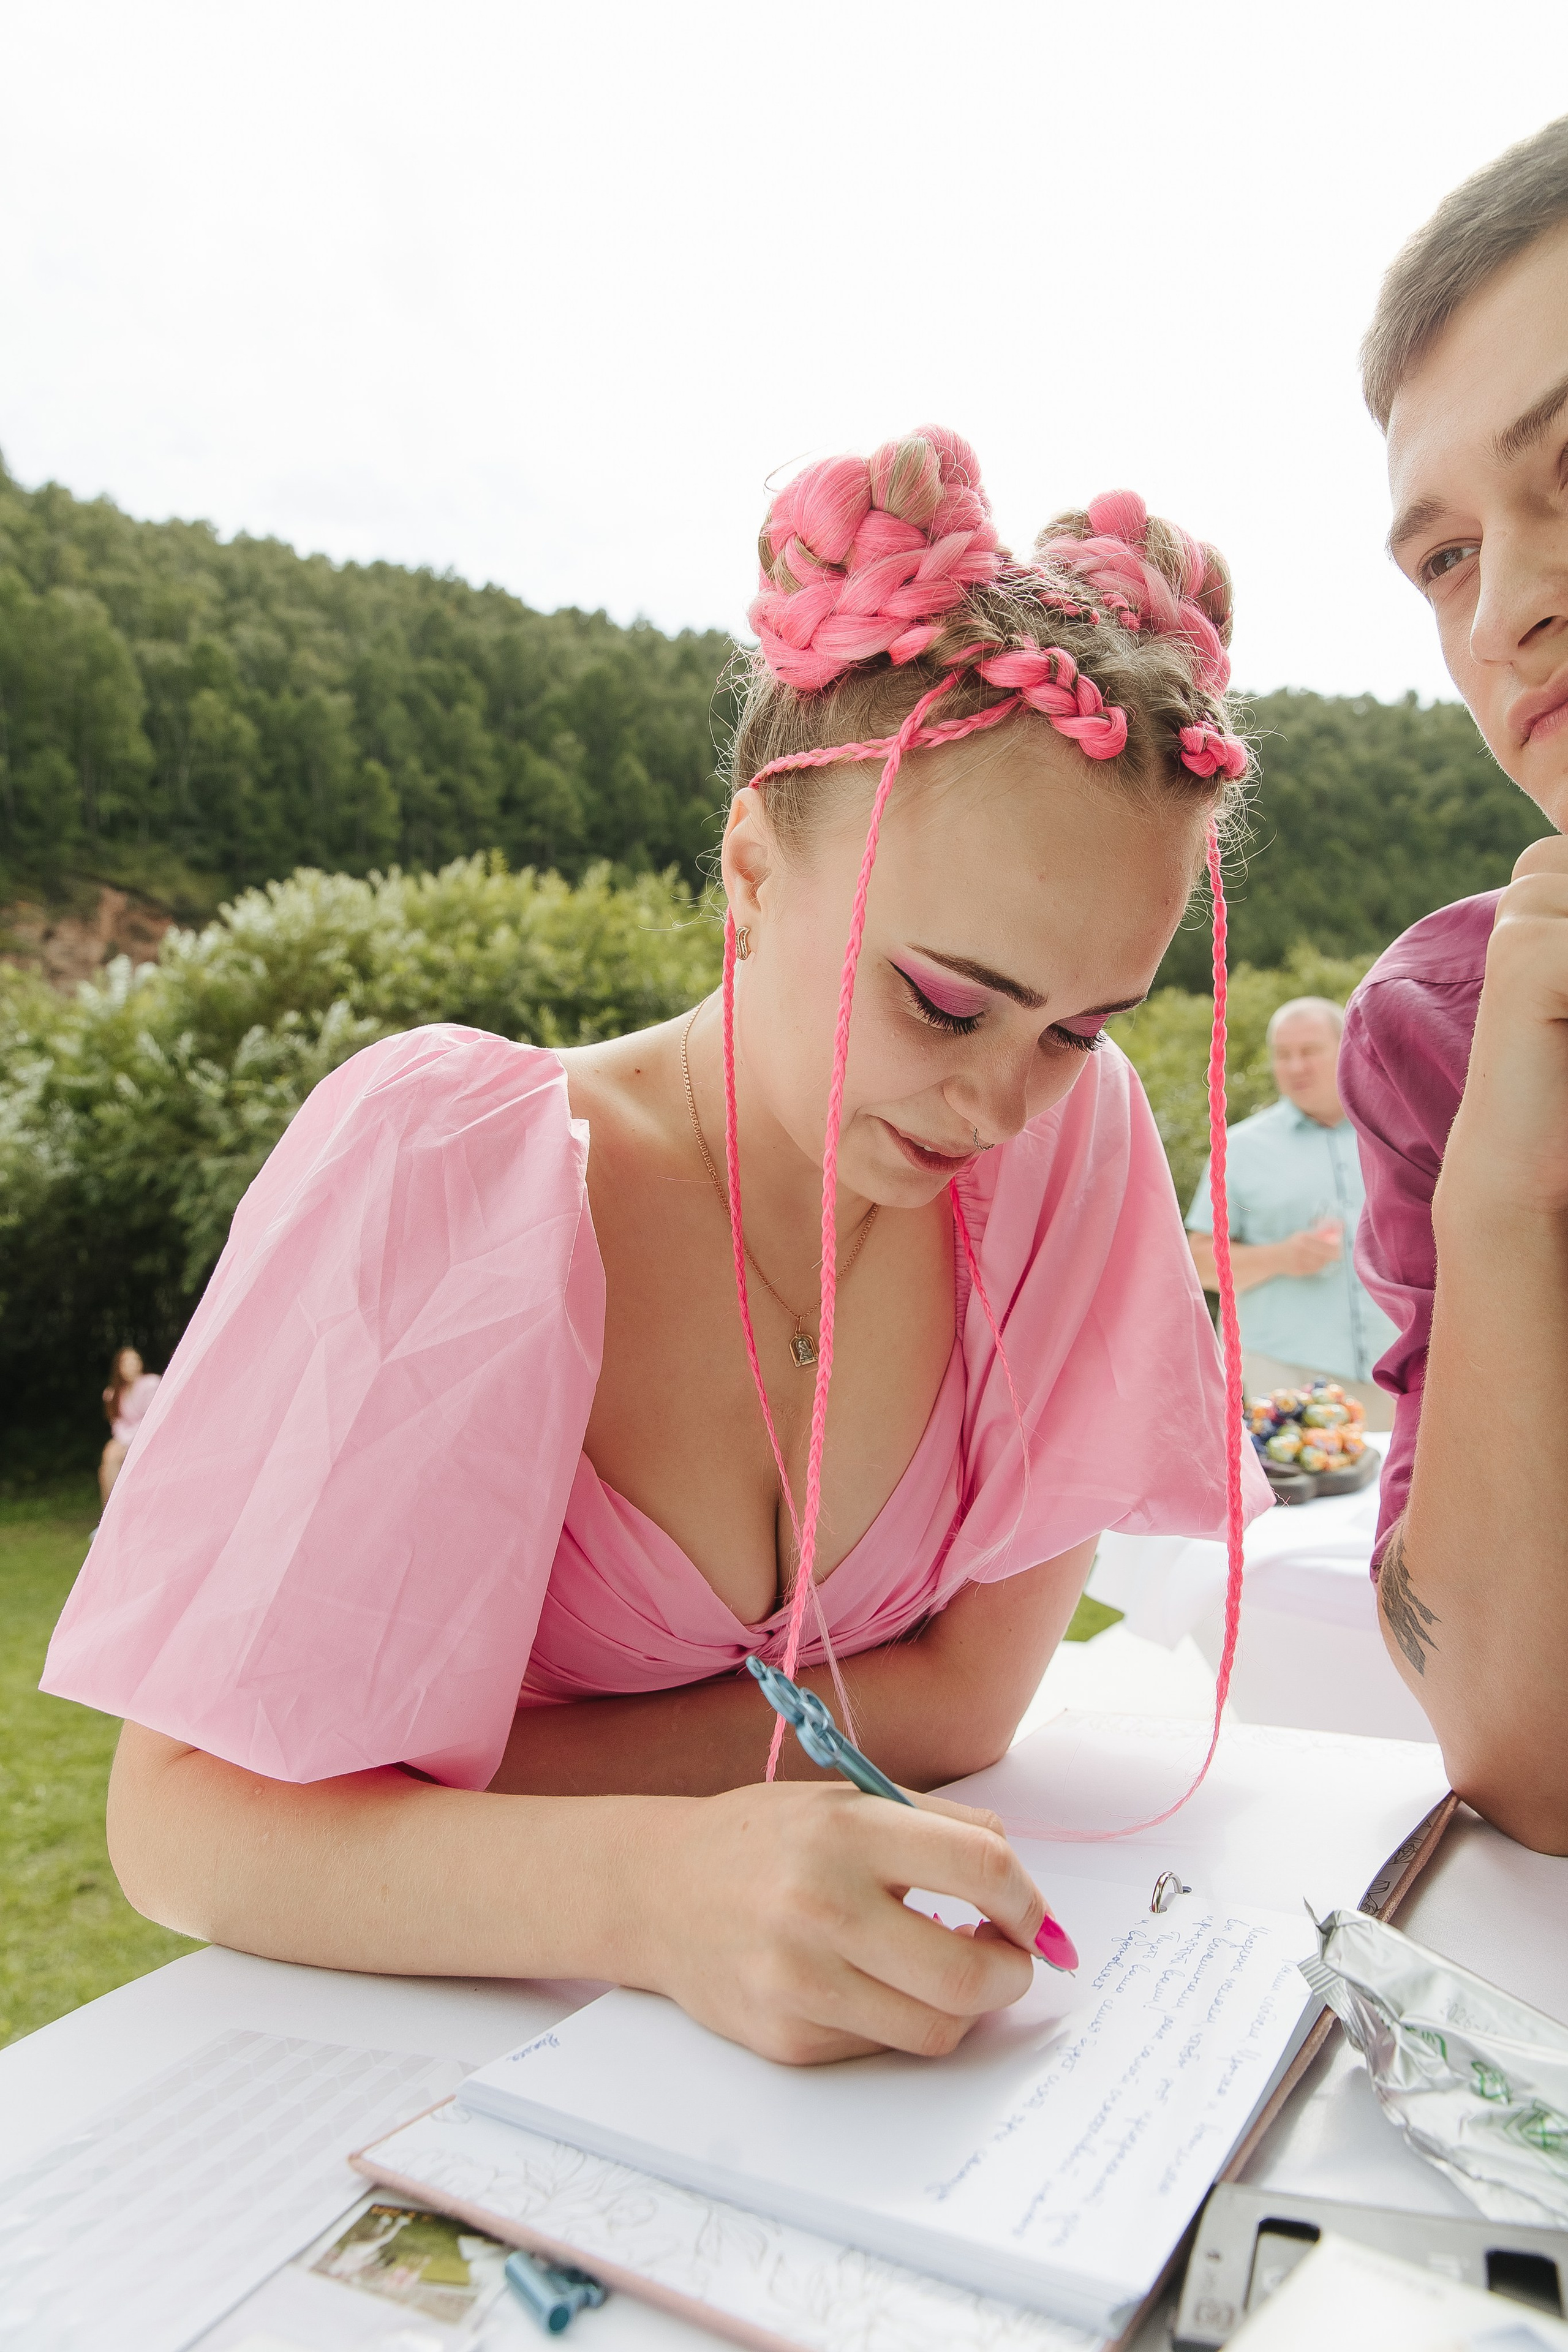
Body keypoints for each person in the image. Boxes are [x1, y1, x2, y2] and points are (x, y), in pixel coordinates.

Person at [42, 429, 1267, 2062]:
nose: (996, 1102)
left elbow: (975, 1699)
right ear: (753, 867)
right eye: (944, 1001)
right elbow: (188, 1820)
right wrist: (652, 1889)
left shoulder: (1080, 1149)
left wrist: (436, 1804)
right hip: (417, 2079)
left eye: (1076, 1026)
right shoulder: (454, 1170)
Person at [1344, 116, 1568, 1852]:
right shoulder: (1438, 1029)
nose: (1506, 609)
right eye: (1445, 558)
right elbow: (1521, 1757)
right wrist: (1503, 1184)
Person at [1185, 996, 1396, 1425]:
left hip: (1394, 1365)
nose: (1296, 1067)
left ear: (1349, 1047)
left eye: (1309, 1051)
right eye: (1283, 1055)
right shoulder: (1240, 1149)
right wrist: (1282, 1257)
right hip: (1284, 1370)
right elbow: (1201, 1265)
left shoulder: (1396, 1134)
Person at [99, 1347, 162, 1509]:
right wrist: (122, 1442)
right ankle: (112, 1513)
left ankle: (115, 1511)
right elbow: (117, 1423)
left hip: (146, 1438)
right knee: (107, 1464)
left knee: (111, 1458)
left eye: (135, 1361)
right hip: (125, 1438)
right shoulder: (113, 1393)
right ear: (119, 1368)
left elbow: (150, 1420)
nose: (131, 1366)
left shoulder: (150, 1384)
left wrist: (128, 1443)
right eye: (126, 1362)